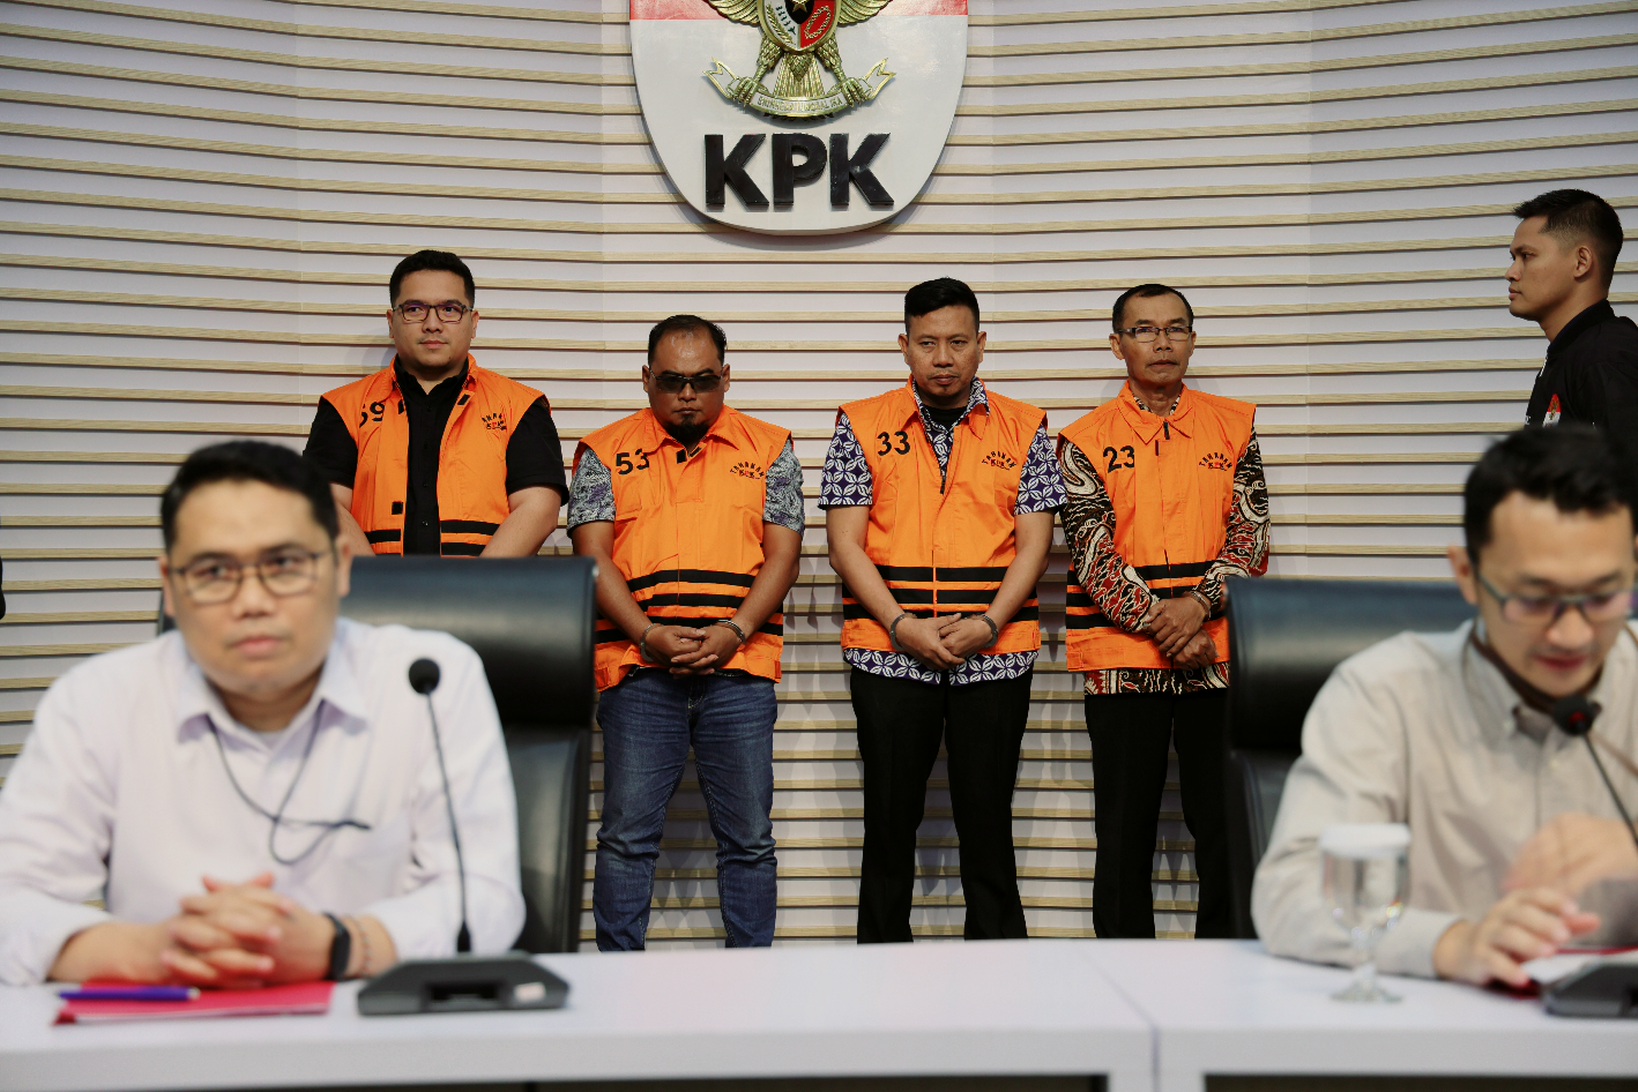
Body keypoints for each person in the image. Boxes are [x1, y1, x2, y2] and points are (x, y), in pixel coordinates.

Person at [0, 441, 524, 986]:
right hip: (168, 1022)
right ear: (171, 587)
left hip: (370, 1020)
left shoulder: (426, 681)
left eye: (284, 564)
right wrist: (157, 952)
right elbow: (11, 899)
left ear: (341, 567)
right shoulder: (99, 700)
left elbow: (484, 897)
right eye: (213, 571)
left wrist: (339, 945)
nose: (252, 601)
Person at [1255, 426, 1638, 988]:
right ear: (1467, 576)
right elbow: (1291, 892)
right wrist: (1452, 943)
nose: (1573, 634)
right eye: (1535, 600)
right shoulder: (1385, 693)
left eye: (1603, 596)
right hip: (1444, 1024)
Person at [820, 277, 1065, 943]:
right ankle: (880, 979)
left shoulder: (1027, 427)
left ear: (981, 344)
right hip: (888, 652)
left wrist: (987, 623)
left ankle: (999, 979)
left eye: (957, 342)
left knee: (988, 825)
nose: (943, 358)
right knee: (888, 825)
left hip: (995, 654)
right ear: (904, 346)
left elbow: (1035, 545)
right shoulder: (859, 425)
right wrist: (903, 626)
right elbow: (845, 545)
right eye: (927, 343)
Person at [570, 316, 802, 950]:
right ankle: (617, 980)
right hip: (637, 670)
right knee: (626, 838)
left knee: (749, 840)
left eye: (703, 380)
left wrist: (736, 630)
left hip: (740, 670)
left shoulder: (771, 449)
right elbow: (592, 558)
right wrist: (647, 634)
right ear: (646, 379)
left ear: (726, 377)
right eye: (672, 381)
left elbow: (783, 556)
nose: (688, 394)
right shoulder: (601, 453)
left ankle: (753, 979)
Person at [1057, 282, 1270, 940]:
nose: (1162, 342)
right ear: (1117, 343)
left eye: (1175, 329)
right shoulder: (1082, 439)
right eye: (1144, 330)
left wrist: (1198, 608)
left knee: (1226, 830)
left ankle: (1227, 975)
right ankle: (1123, 980)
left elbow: (1251, 536)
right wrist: (1170, 627)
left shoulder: (1234, 425)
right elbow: (1092, 554)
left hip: (1218, 657)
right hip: (1123, 662)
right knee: (1124, 834)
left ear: (1193, 340)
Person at [304, 249, 566, 558]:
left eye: (449, 309)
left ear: (473, 322)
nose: (432, 324)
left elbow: (539, 508)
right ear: (391, 322)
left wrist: (477, 585)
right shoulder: (343, 408)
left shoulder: (521, 407)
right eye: (414, 309)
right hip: (369, 586)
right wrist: (375, 584)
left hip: (488, 588)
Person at [1510, 190, 1638, 439]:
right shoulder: (1574, 354)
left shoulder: (1607, 359)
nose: (1511, 272)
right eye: (1513, 258)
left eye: (1526, 256)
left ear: (1581, 262)